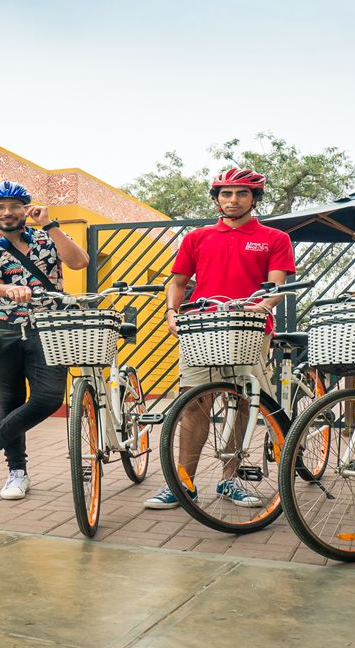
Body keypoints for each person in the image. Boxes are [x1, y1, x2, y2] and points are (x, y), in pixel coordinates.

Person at [143, 168, 296, 510]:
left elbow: (277, 286)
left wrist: (263, 306)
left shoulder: (274, 238)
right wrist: (171, 312)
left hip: (250, 328)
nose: (233, 200)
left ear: (254, 199)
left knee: (244, 402)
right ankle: (183, 483)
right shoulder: (197, 237)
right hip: (202, 330)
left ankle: (231, 480)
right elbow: (179, 282)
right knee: (195, 404)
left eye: (242, 193)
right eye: (226, 194)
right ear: (216, 198)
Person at [0, 180, 90, 500]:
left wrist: (50, 224)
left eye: (14, 206)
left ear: (26, 209)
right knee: (11, 399)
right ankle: (17, 473)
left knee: (48, 398)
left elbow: (79, 262)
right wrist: (7, 289)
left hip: (48, 328)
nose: (7, 213)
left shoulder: (48, 238)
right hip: (2, 328)